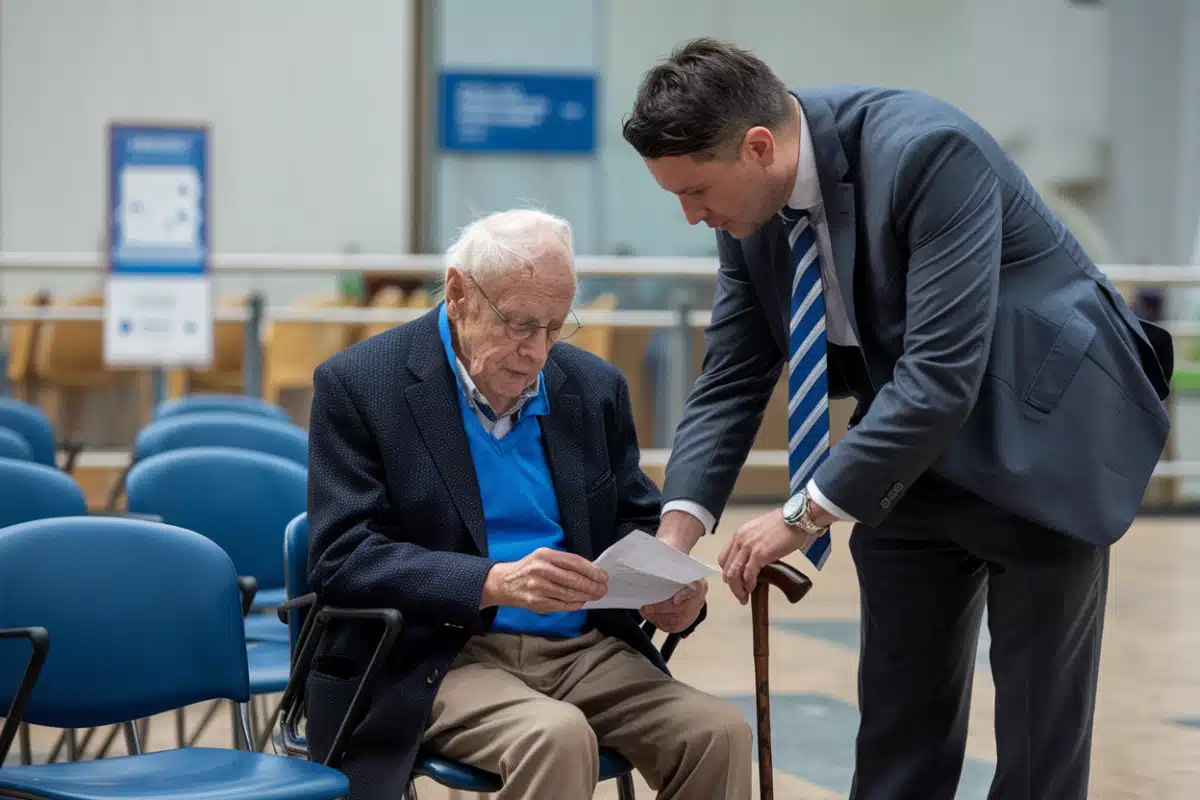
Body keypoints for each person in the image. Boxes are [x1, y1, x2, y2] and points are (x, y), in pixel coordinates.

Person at [622, 38, 1174, 800]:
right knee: (896, 719)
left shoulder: (928, 154)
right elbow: (732, 376)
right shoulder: (744, 212)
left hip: (1042, 434)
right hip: (907, 452)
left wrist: (802, 513)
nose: (691, 217)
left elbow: (941, 374)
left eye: (695, 192)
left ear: (756, 147)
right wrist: (673, 544)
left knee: (1037, 740)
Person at [304, 208, 752, 800]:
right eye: (519, 324)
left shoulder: (591, 386)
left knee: (718, 732)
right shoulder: (361, 385)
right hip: (436, 651)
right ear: (460, 293)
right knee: (556, 736)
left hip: (582, 647)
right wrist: (492, 580)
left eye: (554, 327)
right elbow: (343, 558)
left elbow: (634, 519)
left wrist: (671, 593)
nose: (538, 351)